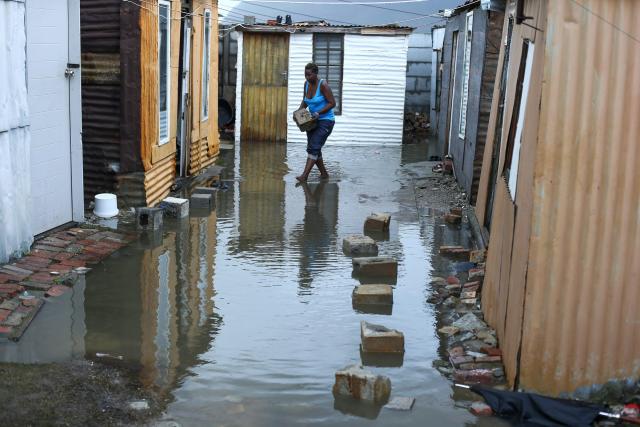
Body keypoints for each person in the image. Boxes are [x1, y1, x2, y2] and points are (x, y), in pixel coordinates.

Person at [295, 63, 336, 182]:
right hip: (311, 120)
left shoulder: (323, 85)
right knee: (314, 148)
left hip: (326, 121)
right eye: (305, 75)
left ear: (316, 73)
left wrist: (318, 112)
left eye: (309, 75)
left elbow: (332, 103)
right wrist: (299, 111)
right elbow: (305, 101)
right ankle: (324, 174)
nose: (307, 77)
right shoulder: (306, 84)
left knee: (313, 147)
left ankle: (304, 176)